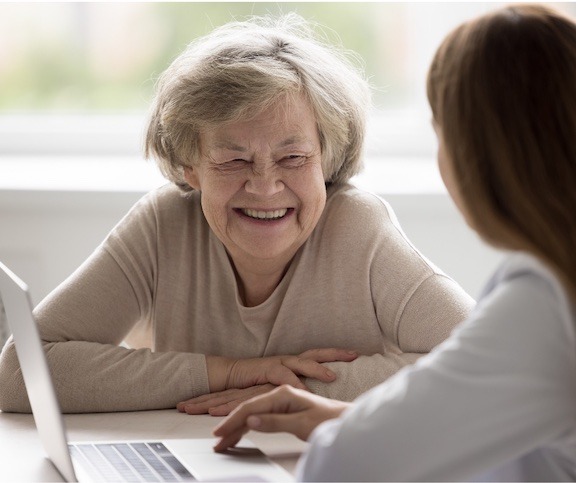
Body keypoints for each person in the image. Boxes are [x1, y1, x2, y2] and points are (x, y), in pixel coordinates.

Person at [0, 14, 474, 415]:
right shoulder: (164, 226)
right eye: (233, 160)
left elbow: (485, 359)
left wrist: (292, 390)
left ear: (325, 158)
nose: (265, 186)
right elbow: (20, 373)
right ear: (191, 167)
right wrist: (227, 372)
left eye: (293, 158)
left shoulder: (358, 227)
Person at [213, 4, 576, 481]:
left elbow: (344, 465)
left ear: (477, 155)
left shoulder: (545, 304)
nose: (264, 185)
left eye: (440, 134)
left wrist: (352, 431)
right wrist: (349, 420)